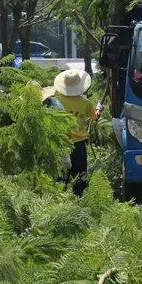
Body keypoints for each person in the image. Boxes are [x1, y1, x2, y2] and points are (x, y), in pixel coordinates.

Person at [51, 69, 99, 197]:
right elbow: (94, 118)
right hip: (78, 145)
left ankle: (60, 199)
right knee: (80, 174)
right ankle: (78, 199)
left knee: (61, 175)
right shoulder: (86, 103)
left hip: (60, 143)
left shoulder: (56, 101)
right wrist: (99, 110)